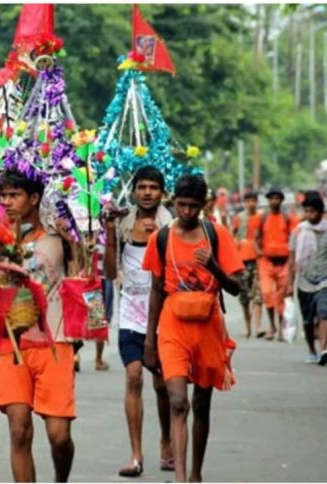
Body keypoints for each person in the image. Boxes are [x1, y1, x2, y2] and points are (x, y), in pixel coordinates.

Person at [142, 174, 243, 482]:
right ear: (173, 202)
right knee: (177, 402)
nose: (186, 212)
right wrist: (149, 342)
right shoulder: (160, 238)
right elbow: (157, 290)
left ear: (203, 205)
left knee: (202, 403)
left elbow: (237, 288)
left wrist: (214, 266)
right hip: (173, 325)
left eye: (193, 207)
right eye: (181, 205)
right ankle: (181, 478)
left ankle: (196, 473)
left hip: (208, 325)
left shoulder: (217, 234)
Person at [0, 168, 76, 482]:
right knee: (18, 429)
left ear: (34, 198)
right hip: (11, 343)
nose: (8, 202)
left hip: (55, 341)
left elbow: (82, 270)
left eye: (15, 195)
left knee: (59, 435)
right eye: (3, 196)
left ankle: (60, 478)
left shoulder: (59, 239)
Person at [103, 166, 175, 477]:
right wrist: (107, 233)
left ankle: (166, 440)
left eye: (153, 187)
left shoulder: (171, 225)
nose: (147, 192)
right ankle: (135, 454)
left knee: (161, 385)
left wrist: (157, 241)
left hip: (162, 317)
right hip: (130, 314)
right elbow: (108, 272)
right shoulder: (121, 222)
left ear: (162, 192)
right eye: (142, 187)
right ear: (133, 191)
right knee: (134, 378)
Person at [288, 194, 327, 366]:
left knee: (324, 311)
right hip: (305, 280)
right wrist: (290, 284)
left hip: (326, 279)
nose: (310, 215)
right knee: (308, 319)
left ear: (321, 212)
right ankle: (312, 350)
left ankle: (324, 349)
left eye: (313, 211)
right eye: (307, 211)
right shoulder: (298, 232)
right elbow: (291, 260)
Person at [256, 188, 298, 341]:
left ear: (281, 200)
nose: (274, 201)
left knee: (281, 297)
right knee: (267, 293)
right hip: (266, 261)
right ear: (268, 200)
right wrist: (258, 251)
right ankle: (271, 326)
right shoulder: (263, 217)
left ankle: (280, 328)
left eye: (277, 198)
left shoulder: (288, 218)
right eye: (272, 198)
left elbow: (294, 238)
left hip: (284, 262)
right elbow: (256, 237)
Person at [232, 191, 264, 339]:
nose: (251, 203)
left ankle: (258, 326)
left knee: (258, 295)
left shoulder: (262, 217)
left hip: (257, 259)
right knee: (244, 296)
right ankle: (248, 326)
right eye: (248, 200)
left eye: (253, 200)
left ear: (257, 202)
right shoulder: (239, 218)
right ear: (244, 202)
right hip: (242, 260)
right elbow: (233, 234)